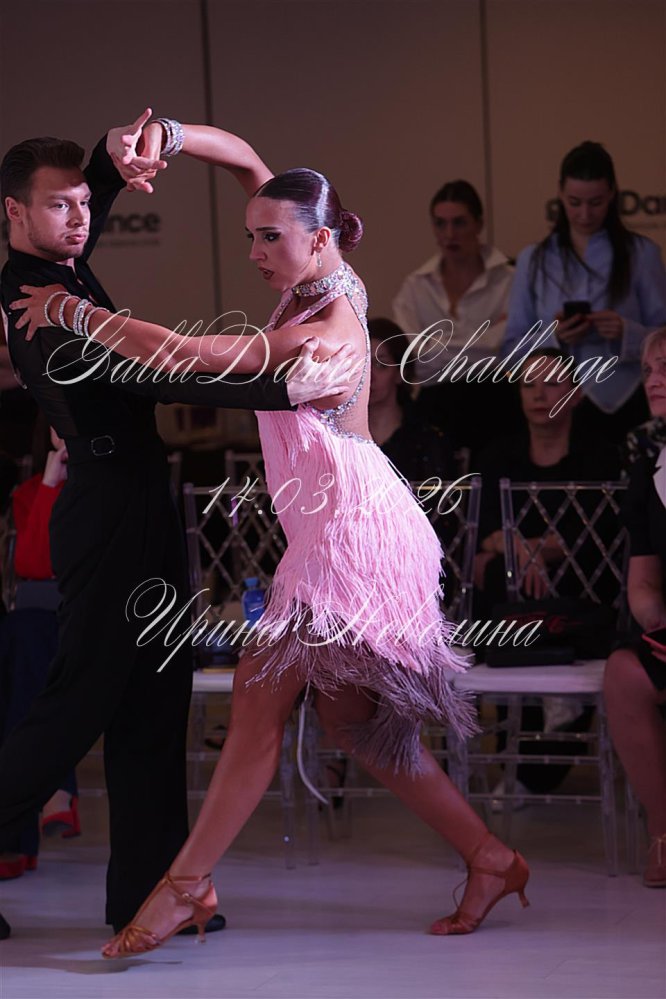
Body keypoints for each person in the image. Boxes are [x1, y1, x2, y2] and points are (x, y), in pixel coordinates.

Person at [14, 121, 530, 957]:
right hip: (334, 525)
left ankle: (186, 883)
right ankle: (490, 856)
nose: (256, 252)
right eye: (251, 235)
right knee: (354, 723)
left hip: (351, 535)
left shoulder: (321, 327)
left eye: (269, 239)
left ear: (318, 238)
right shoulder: (320, 259)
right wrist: (171, 134)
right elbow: (251, 161)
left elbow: (182, 356)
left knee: (258, 695)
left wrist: (71, 309)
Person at [0, 111, 352, 939]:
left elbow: (93, 181)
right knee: (78, 703)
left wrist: (130, 147)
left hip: (141, 499)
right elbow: (152, 372)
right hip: (102, 508)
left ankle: (145, 897)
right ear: (14, 213)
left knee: (156, 699)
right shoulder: (34, 301)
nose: (79, 217)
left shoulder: (65, 257)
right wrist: (284, 389)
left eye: (84, 204)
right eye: (58, 206)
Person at [474, 347, 622, 800]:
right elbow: (482, 529)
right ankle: (520, 757)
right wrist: (522, 550)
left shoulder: (600, 454)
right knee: (497, 574)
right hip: (516, 593)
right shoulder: (499, 454)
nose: (540, 395)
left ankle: (537, 762)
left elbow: (596, 533)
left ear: (576, 394)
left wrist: (528, 550)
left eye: (553, 383)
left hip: (581, 588)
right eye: (529, 385)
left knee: (544, 579)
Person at [501, 141, 666, 441]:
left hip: (628, 402)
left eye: (596, 202)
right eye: (574, 202)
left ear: (613, 194)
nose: (585, 214)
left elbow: (663, 339)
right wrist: (554, 338)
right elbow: (511, 351)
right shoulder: (534, 260)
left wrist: (626, 332)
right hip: (553, 409)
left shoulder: (642, 254)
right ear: (560, 193)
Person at [0, 425, 78, 882]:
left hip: (95, 616)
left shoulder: (114, 484)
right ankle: (55, 792)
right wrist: (50, 485)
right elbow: (32, 564)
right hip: (44, 619)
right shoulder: (31, 491)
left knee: (25, 645)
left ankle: (13, 837)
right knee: (22, 639)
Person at [604, 327, 666, 888]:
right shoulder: (651, 470)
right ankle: (664, 833)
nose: (653, 381)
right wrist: (654, 620)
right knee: (625, 672)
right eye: (647, 371)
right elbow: (643, 581)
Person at [392, 180, 518, 453]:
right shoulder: (416, 286)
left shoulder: (509, 280)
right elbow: (415, 361)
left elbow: (512, 351)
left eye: (459, 223)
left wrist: (436, 348)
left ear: (479, 224)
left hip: (497, 401)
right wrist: (488, 342)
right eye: (440, 224)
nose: (449, 234)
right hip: (435, 404)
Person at [367, 317, 455, 481]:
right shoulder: (340, 439)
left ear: (401, 373)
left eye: (381, 365)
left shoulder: (427, 440)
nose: (369, 376)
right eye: (362, 365)